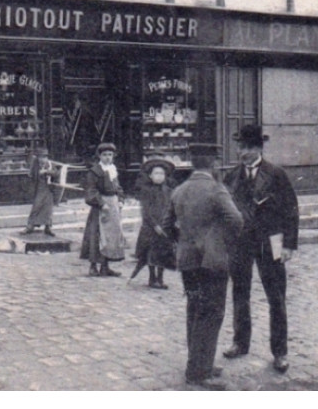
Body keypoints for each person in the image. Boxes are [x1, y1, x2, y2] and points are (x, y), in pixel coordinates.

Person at [164, 142, 242, 390]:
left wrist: (185, 243)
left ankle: (200, 363)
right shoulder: (216, 190)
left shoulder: (179, 190)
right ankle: (199, 372)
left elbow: (167, 226)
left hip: (187, 262)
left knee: (195, 309)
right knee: (211, 313)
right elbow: (236, 220)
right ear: (213, 163)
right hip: (212, 262)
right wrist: (221, 242)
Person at [222, 125, 299, 373]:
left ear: (259, 148)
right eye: (241, 147)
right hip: (241, 243)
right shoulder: (231, 177)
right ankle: (240, 343)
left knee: (276, 297)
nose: (244, 152)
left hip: (271, 241)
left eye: (249, 148)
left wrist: (288, 244)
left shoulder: (276, 174)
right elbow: (224, 213)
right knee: (240, 294)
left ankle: (280, 352)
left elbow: (291, 211)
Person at [80, 142, 126, 277]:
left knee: (111, 236)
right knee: (96, 235)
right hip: (100, 207)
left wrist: (121, 199)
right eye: (104, 155)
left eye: (110, 155)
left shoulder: (113, 169)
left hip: (113, 205)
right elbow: (91, 190)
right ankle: (93, 266)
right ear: (99, 156)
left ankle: (105, 266)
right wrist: (101, 203)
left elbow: (118, 187)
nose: (107, 157)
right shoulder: (95, 171)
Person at [131, 156, 175, 289]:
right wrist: (154, 225)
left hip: (165, 227)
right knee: (150, 253)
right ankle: (152, 277)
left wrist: (169, 224)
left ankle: (160, 278)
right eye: (156, 173)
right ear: (150, 176)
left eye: (162, 173)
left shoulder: (169, 191)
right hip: (150, 228)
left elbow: (172, 208)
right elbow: (146, 211)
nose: (159, 176)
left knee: (162, 253)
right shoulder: (146, 191)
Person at [23, 145, 57, 236]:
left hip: (48, 189)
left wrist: (46, 172)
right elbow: (31, 176)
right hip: (39, 189)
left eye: (45, 157)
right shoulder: (35, 165)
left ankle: (48, 227)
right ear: (38, 158)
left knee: (48, 209)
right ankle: (30, 226)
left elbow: (56, 173)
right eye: (41, 157)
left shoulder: (50, 164)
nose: (43, 159)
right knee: (36, 206)